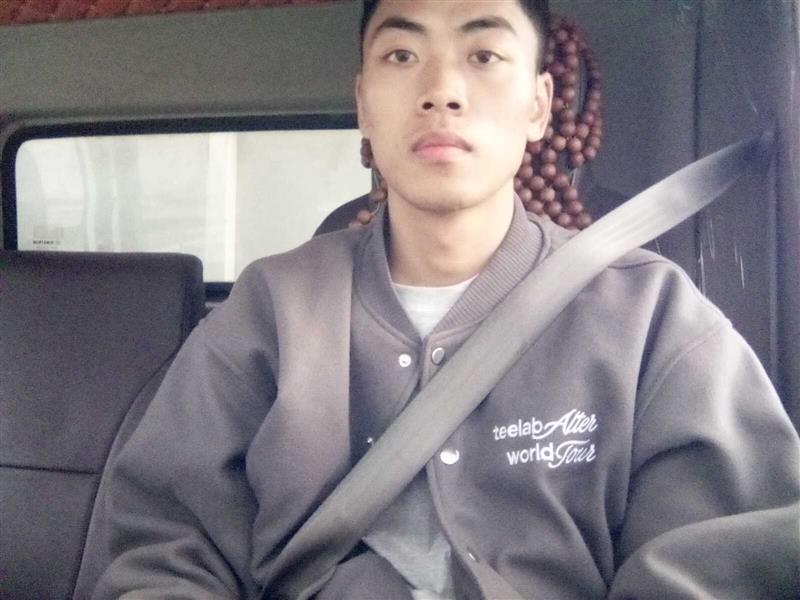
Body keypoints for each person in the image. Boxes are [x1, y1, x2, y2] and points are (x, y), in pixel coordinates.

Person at [94, 1, 800, 598]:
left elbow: (720, 559)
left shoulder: (652, 316)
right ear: (363, 104)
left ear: (538, 105)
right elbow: (167, 550)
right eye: (401, 56)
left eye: (484, 55)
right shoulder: (270, 308)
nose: (442, 90)